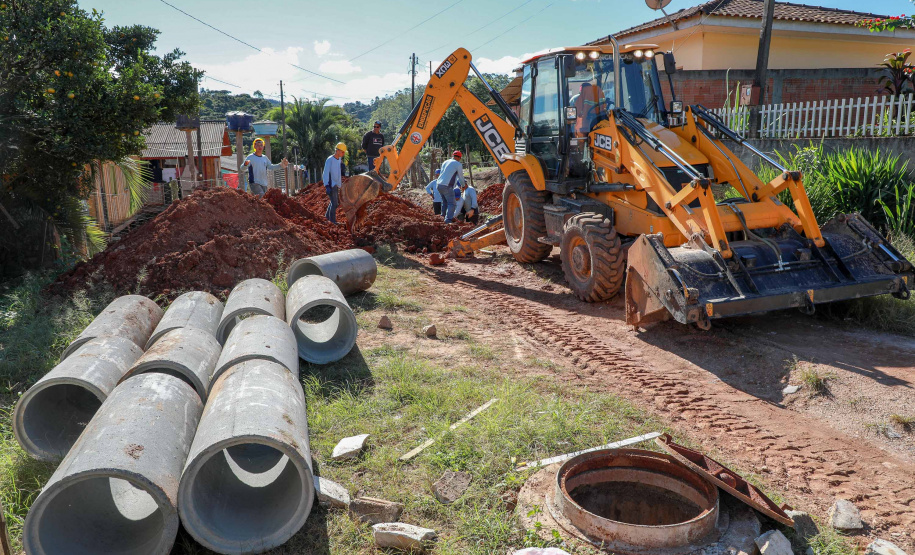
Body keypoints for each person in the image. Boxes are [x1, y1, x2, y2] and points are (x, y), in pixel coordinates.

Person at [435, 150, 463, 223]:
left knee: (445, 202)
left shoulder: (445, 162)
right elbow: (461, 177)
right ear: (459, 157)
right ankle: (448, 220)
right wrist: (463, 185)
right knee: (452, 203)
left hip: (438, 184)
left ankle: (443, 216)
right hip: (446, 186)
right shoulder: (458, 164)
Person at [322, 142, 347, 224]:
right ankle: (332, 221)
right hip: (330, 184)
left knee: (334, 202)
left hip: (335, 184)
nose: (343, 154)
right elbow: (325, 173)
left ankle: (327, 218)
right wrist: (327, 186)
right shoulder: (330, 160)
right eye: (342, 152)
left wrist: (340, 184)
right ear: (338, 151)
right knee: (334, 203)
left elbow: (338, 172)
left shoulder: (339, 159)